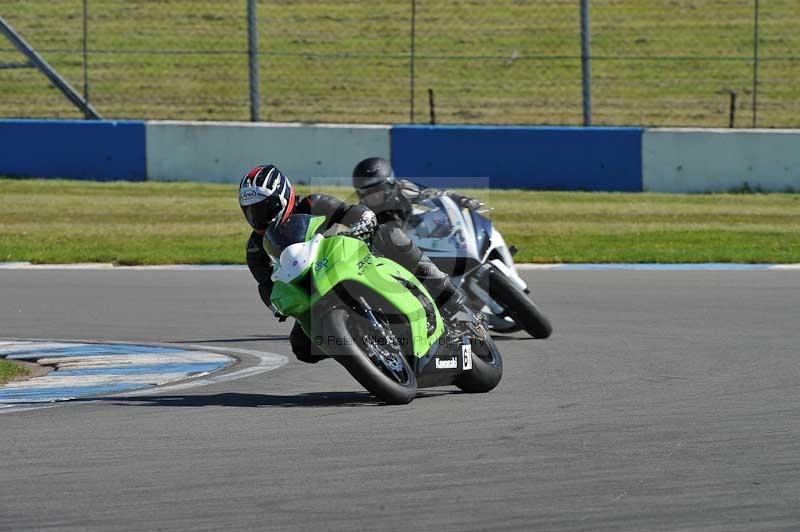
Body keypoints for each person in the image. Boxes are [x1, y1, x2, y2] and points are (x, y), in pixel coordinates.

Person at [239, 164, 466, 364]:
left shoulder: (312, 203)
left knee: (391, 235)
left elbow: (349, 212)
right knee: (302, 346)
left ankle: (443, 289)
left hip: (352, 261)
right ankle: (363, 349)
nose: (256, 217)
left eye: (262, 208)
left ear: (282, 197)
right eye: (249, 211)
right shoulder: (255, 247)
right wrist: (276, 304)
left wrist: (363, 221)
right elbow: (266, 284)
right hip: (313, 290)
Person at [351, 156, 483, 226]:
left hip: (418, 238)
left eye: (377, 190)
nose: (372, 197)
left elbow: (435, 194)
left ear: (390, 186)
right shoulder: (362, 214)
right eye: (366, 193)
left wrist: (462, 200)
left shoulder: (403, 189)